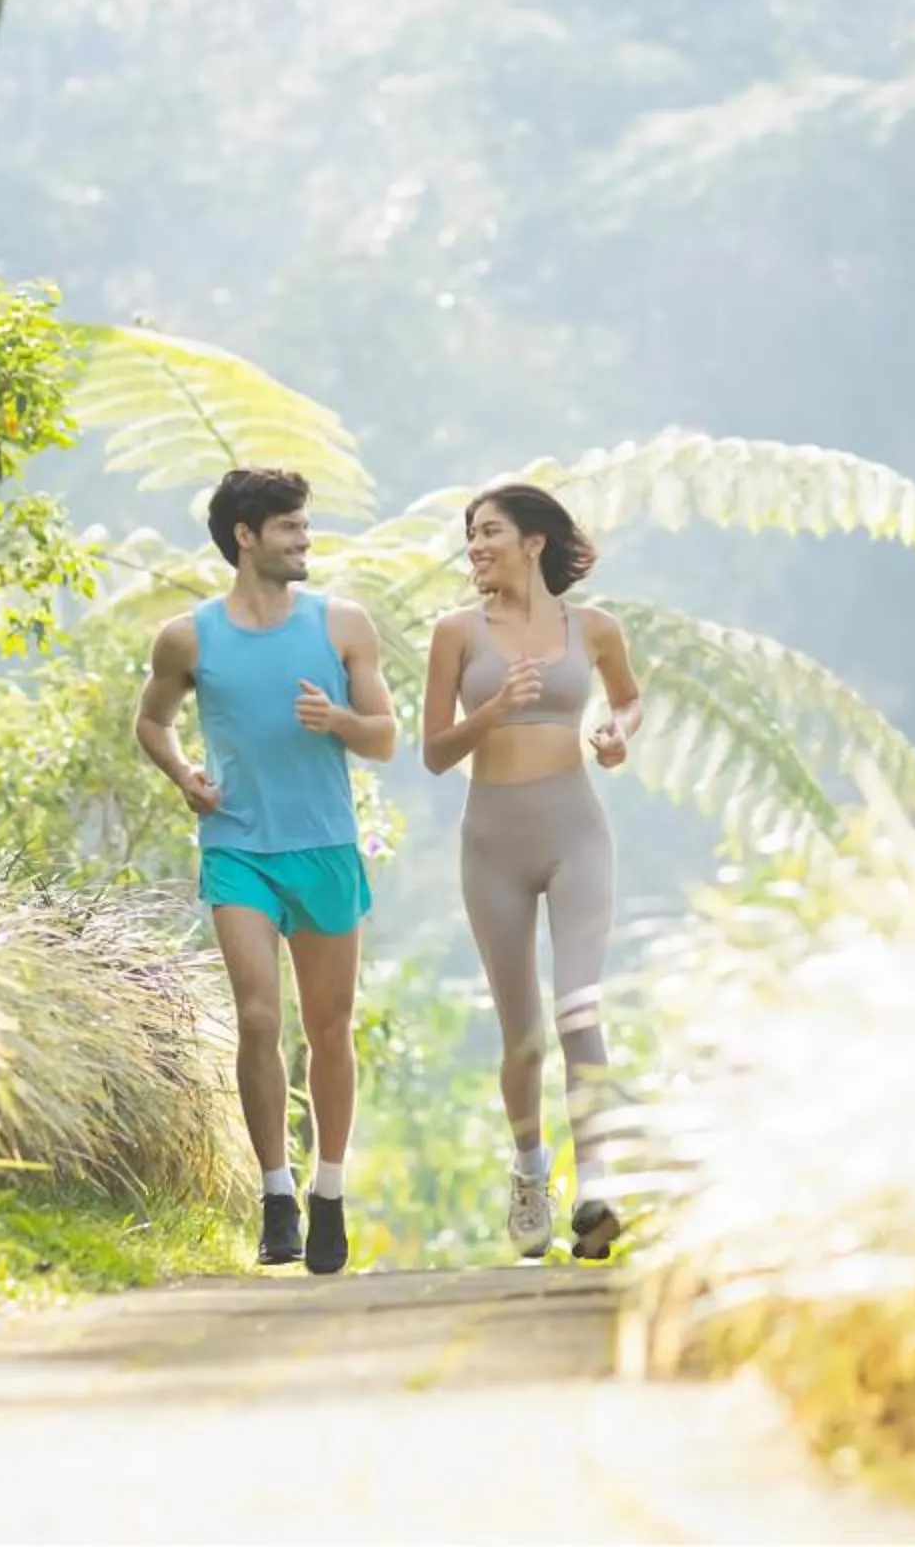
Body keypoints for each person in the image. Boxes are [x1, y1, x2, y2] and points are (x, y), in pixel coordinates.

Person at [135, 466, 397, 1274]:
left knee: (328, 1030)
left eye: (304, 524)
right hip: (239, 846)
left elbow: (384, 735)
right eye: (288, 526)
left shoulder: (342, 623)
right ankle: (276, 1196)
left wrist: (340, 720)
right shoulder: (189, 637)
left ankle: (328, 1192)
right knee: (257, 1018)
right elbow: (153, 721)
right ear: (245, 537)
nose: (305, 538)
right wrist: (186, 778)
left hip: (324, 847)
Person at [421, 482, 643, 1261]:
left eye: (489, 532)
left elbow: (627, 702)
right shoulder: (455, 634)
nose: (476, 546)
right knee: (522, 1040)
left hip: (577, 832)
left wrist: (615, 735)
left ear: (534, 542)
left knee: (579, 1010)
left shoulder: (597, 628)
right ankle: (529, 1174)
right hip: (491, 844)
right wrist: (491, 712)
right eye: (470, 535)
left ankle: (600, 1184)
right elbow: (436, 753)